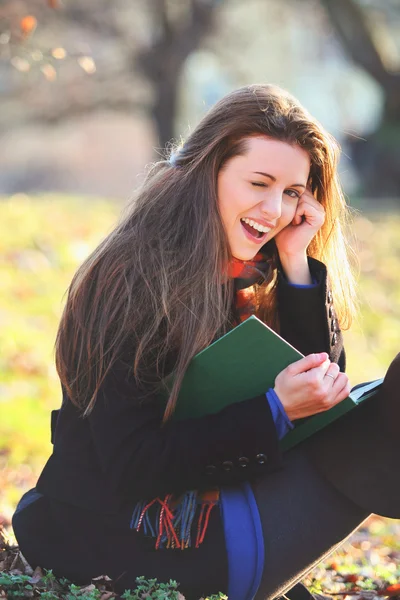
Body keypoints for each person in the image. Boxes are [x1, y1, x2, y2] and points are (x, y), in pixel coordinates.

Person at [11, 84, 400, 600]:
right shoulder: (130, 281)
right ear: (205, 174)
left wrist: (297, 262)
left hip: (230, 502)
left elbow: (320, 394)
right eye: (258, 183)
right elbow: (130, 463)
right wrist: (274, 409)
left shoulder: (251, 272)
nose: (274, 209)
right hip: (136, 538)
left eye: (291, 193)